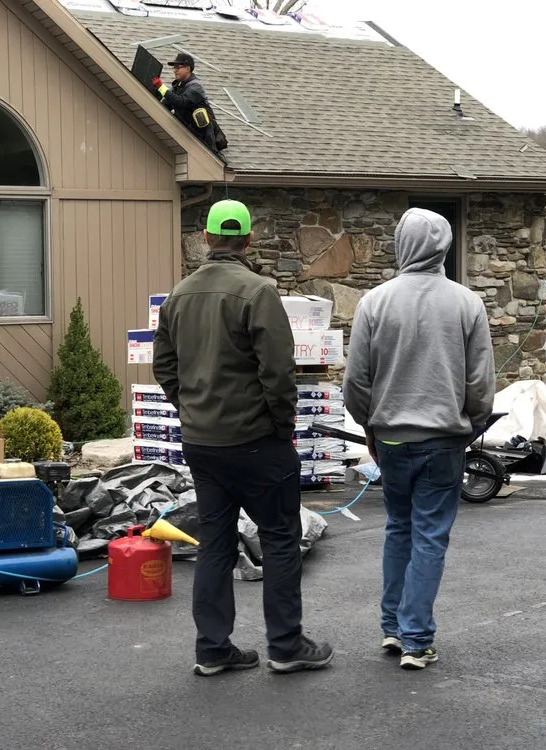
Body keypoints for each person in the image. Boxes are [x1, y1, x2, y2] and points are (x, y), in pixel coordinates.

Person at [152, 199, 333, 677]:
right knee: (278, 538)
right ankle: (286, 645)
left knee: (214, 541)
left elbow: (164, 368)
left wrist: (191, 408)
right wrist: (282, 426)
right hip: (255, 440)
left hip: (202, 441)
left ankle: (213, 649)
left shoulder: (178, 296)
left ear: (207, 239)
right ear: (248, 239)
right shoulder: (258, 292)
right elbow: (278, 373)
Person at [342, 207, 495, 670]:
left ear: (400, 245)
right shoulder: (467, 303)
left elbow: (356, 383)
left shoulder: (375, 302)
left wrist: (370, 425)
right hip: (444, 441)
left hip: (389, 440)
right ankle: (416, 638)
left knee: (398, 528)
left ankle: (392, 627)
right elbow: (480, 385)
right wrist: (472, 421)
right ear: (444, 247)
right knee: (430, 534)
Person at [151, 52, 228, 156]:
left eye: (178, 67)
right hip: (187, 137)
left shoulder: (196, 87)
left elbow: (181, 102)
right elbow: (165, 105)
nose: (175, 70)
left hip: (205, 143)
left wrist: (161, 87)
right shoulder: (177, 87)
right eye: (174, 67)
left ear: (188, 68)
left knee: (199, 114)